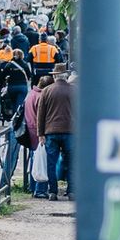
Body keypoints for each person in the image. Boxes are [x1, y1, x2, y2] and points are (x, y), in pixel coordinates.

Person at [37, 65, 75, 201]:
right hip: (70, 132)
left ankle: (53, 191)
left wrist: (40, 133)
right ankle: (71, 190)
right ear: (66, 76)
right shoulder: (74, 91)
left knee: (51, 163)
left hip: (51, 132)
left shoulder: (46, 91)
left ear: (54, 76)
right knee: (71, 162)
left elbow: (41, 115)